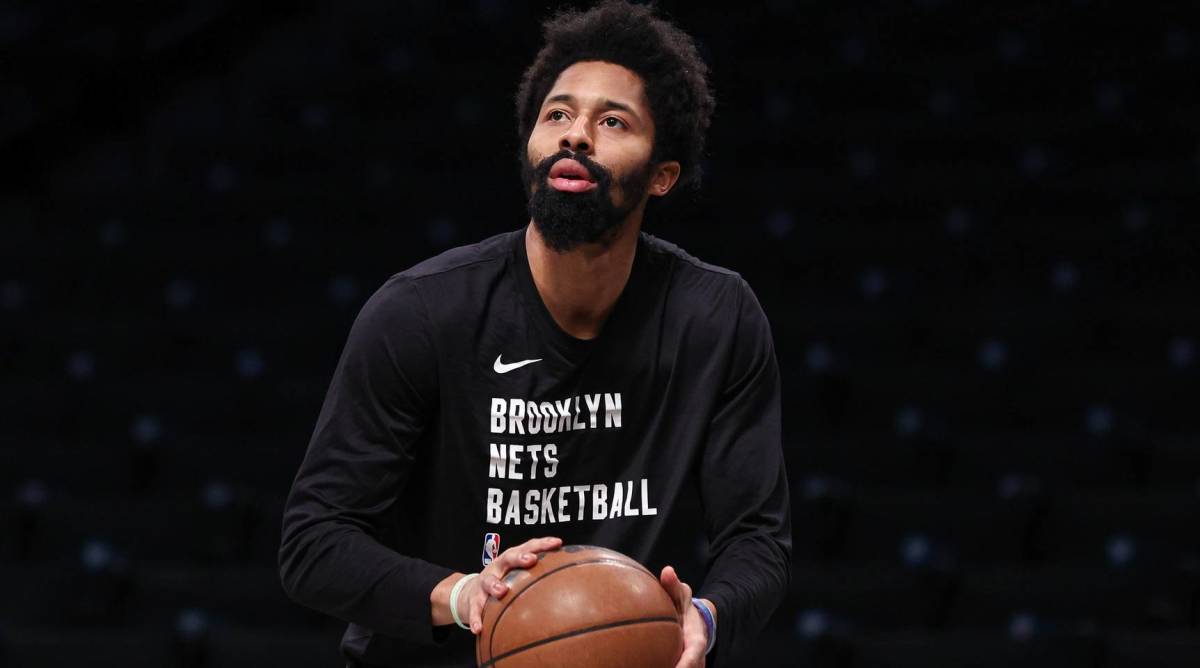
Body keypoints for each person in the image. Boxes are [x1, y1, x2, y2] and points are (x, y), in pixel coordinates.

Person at [278, 2, 791, 666]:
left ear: (662, 175)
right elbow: (313, 542)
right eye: (558, 115)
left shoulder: (717, 318)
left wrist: (706, 617)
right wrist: (464, 595)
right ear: (530, 149)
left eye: (612, 121)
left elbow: (756, 539)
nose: (576, 135)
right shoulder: (422, 312)